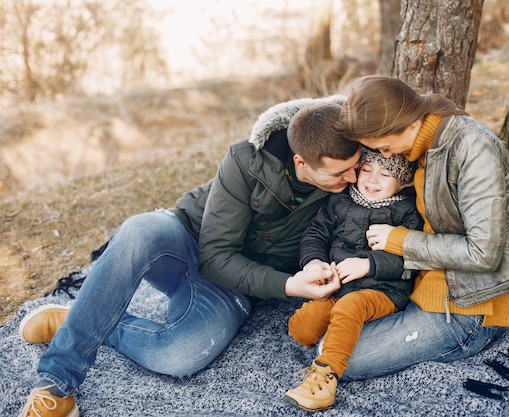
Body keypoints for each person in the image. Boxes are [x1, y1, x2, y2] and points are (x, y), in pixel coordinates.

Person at [17, 98, 362, 417]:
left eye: (355, 168)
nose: (353, 178)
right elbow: (213, 256)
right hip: (186, 239)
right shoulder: (245, 159)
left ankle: (79, 318)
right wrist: (288, 285)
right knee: (138, 231)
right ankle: (56, 385)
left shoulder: (353, 184)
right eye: (340, 173)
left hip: (237, 285)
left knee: (177, 355)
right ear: (301, 161)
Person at [328, 75, 509, 382]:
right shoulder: (422, 146)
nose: (386, 155)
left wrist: (399, 241)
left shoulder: (473, 149)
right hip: (422, 285)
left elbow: (484, 253)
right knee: (332, 338)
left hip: (471, 305)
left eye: (385, 147)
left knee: (343, 357)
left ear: (406, 122)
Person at [283, 147, 423, 412]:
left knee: (351, 307)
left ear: (402, 182)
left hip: (383, 290)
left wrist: (369, 264)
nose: (372, 180)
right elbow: (317, 233)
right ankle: (338, 324)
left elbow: (412, 259)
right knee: (303, 329)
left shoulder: (406, 213)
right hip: (341, 285)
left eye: (384, 174)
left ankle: (325, 378)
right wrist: (314, 262)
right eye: (366, 170)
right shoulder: (341, 201)